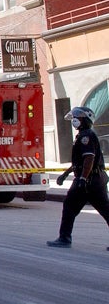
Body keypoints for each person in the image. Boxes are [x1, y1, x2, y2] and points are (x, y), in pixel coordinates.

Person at [47, 106, 109, 248]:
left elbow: (89, 159)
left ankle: (64, 239)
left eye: (78, 118)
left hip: (89, 181)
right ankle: (64, 238)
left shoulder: (86, 136)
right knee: (105, 210)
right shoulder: (84, 135)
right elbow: (80, 162)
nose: (74, 120)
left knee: (69, 207)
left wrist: (82, 179)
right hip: (94, 181)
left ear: (85, 120)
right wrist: (65, 174)